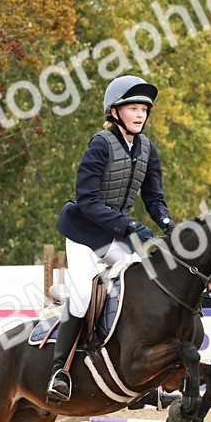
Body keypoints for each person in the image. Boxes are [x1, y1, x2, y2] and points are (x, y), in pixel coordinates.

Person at [47, 74, 175, 403]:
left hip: (115, 235)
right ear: (115, 112)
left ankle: (139, 373)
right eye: (132, 108)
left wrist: (168, 225)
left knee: (145, 283)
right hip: (83, 234)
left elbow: (154, 198)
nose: (140, 114)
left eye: (144, 109)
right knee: (81, 296)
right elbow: (87, 201)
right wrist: (131, 227)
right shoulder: (100, 144)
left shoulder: (148, 149)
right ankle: (59, 372)